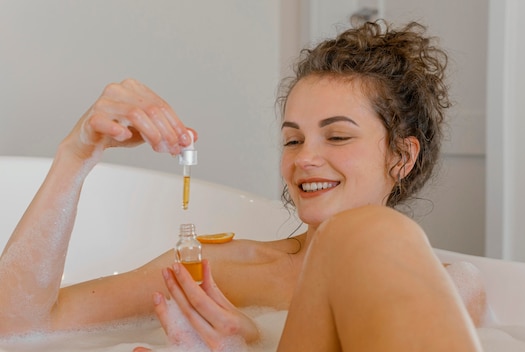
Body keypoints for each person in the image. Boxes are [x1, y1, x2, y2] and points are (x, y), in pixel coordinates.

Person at [0, 20, 485, 351]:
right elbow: (20, 327)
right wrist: (77, 154)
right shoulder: (221, 273)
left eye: (337, 136)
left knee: (371, 232)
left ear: (402, 155)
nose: (305, 158)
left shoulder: (453, 285)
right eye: (292, 140)